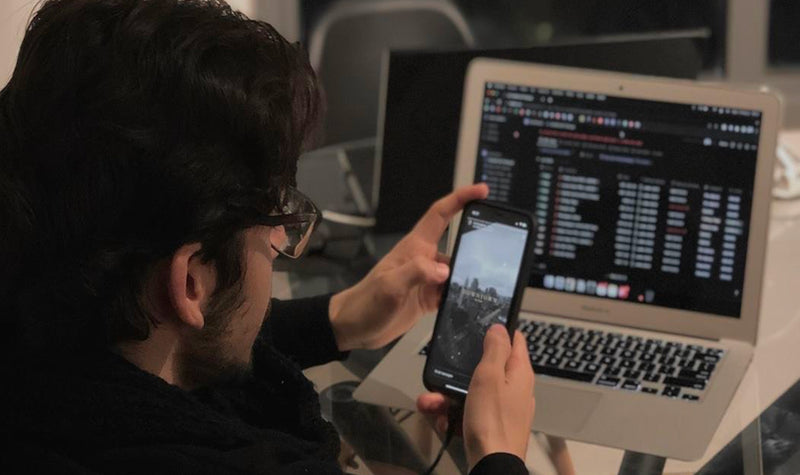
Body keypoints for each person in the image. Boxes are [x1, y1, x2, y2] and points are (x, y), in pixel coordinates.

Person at [0, 0, 537, 473]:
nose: (280, 244)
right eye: (274, 221)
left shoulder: (39, 345)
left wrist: (341, 318)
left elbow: (183, 341)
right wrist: (498, 453)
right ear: (191, 283)